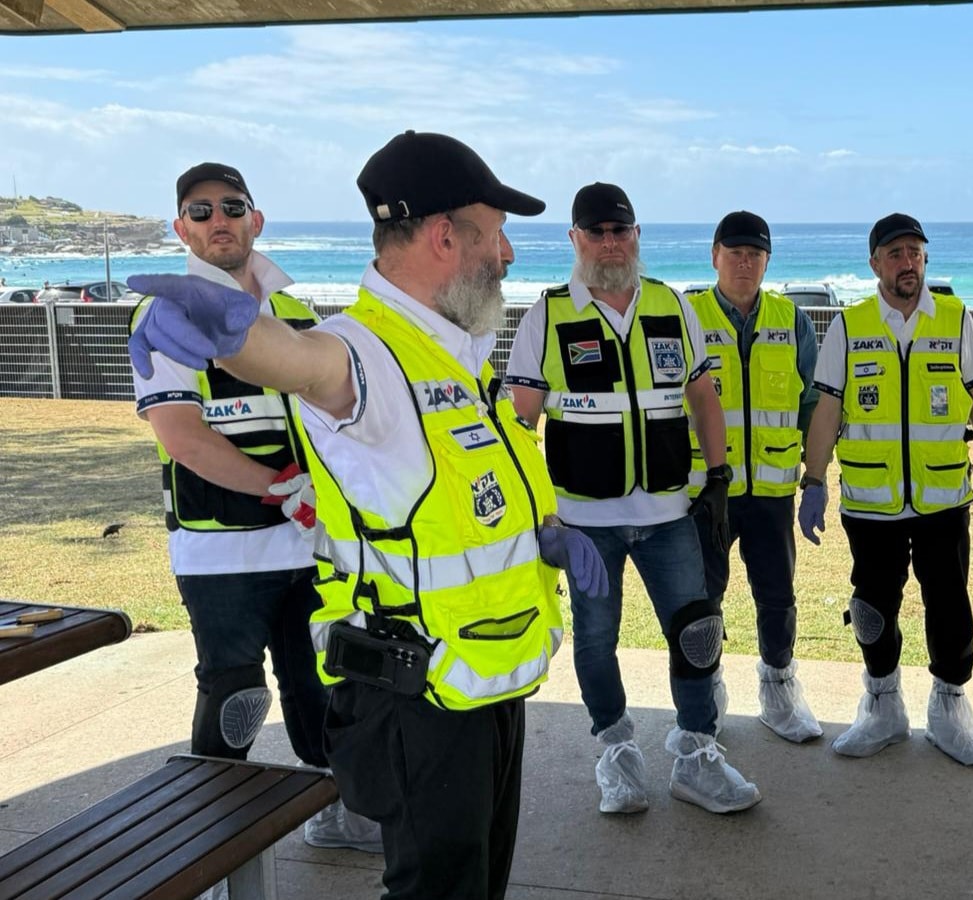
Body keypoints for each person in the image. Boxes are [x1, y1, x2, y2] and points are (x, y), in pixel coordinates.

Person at [127, 131, 607, 900]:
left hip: (483, 678)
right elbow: (300, 361)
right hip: (417, 695)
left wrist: (544, 534)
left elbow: (469, 492)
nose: (509, 254)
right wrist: (234, 336)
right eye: (496, 234)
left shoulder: (456, 351)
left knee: (476, 884)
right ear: (445, 237)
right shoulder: (363, 352)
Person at [129, 162, 379, 855]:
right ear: (181, 228)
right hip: (222, 552)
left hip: (312, 547)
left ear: (256, 221)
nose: (219, 221)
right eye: (201, 211)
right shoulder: (167, 315)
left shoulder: (295, 316)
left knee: (323, 684)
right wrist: (279, 488)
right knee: (235, 697)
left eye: (232, 207)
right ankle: (212, 850)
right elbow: (183, 438)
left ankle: (341, 812)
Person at [506, 183, 762, 815]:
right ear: (575, 239)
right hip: (584, 524)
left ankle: (696, 755)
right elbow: (520, 425)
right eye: (595, 232)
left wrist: (719, 477)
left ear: (637, 236)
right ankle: (616, 752)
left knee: (697, 631)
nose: (610, 243)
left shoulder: (671, 305)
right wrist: (541, 517)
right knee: (596, 643)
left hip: (669, 514)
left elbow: (703, 398)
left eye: (620, 231)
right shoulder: (547, 315)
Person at [798, 212, 973, 766]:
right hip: (871, 502)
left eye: (915, 253)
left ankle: (950, 711)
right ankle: (882, 708)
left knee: (949, 602)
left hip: (942, 498)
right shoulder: (849, 326)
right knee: (872, 607)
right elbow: (827, 409)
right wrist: (814, 480)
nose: (907, 264)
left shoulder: (954, 318)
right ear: (875, 263)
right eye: (895, 254)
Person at [684, 210, 824, 743]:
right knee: (703, 598)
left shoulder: (793, 321)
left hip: (771, 491)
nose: (745, 263)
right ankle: (708, 694)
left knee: (777, 596)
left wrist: (814, 476)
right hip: (705, 493)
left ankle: (779, 692)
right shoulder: (687, 316)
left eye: (755, 254)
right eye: (735, 252)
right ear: (714, 256)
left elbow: (813, 404)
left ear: (767, 261)